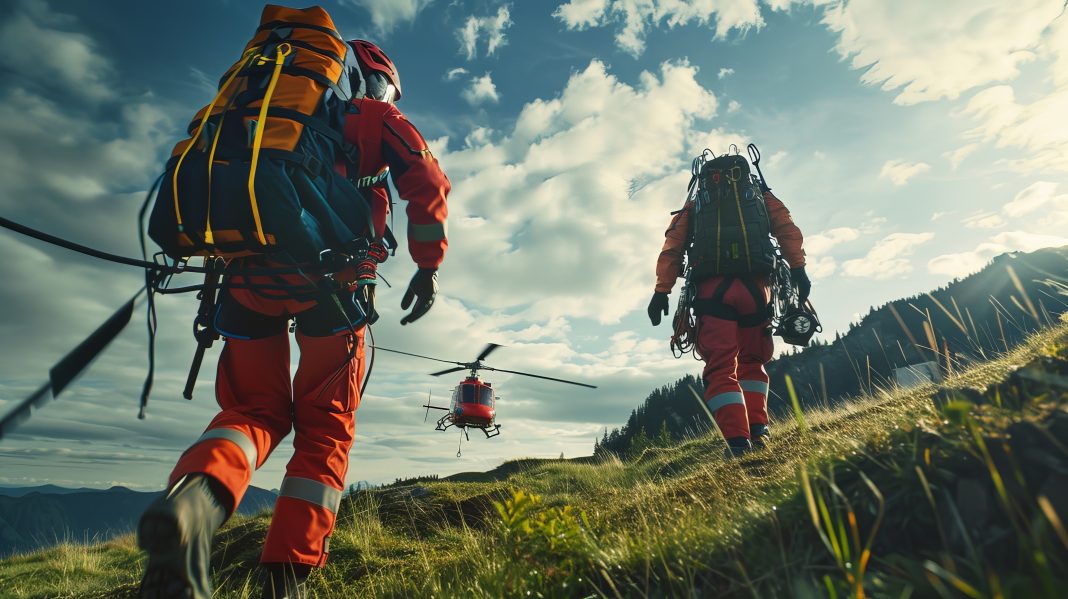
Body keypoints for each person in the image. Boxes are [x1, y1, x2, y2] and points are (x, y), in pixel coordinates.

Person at [137, 39, 450, 599]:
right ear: (370, 80)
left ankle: (193, 504)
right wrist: (428, 267)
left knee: (250, 410)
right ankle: (285, 579)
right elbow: (427, 182)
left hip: (244, 283)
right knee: (326, 427)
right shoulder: (376, 118)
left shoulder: (252, 117)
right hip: (332, 290)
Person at [647, 174, 808, 459]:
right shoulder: (759, 196)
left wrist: (662, 291)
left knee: (721, 367)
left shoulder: (697, 204)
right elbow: (786, 228)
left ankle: (737, 443)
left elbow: (673, 247)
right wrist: (798, 269)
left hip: (713, 292)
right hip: (758, 290)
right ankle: (758, 430)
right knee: (752, 362)